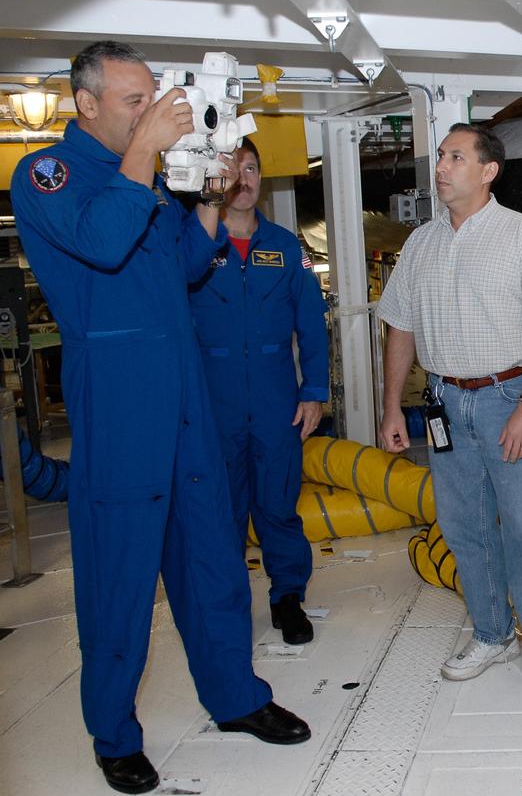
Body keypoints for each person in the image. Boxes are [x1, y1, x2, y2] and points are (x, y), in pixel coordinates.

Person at [10, 41, 309, 795]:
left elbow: (183, 262)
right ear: (87, 104)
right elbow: (107, 246)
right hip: (118, 399)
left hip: (186, 394)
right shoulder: (50, 175)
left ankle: (235, 697)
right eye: (133, 102)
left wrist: (206, 196)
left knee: (211, 555)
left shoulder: (149, 180)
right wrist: (146, 150)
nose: (150, 113)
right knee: (119, 574)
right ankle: (114, 732)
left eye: (152, 99)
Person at [377, 123, 522, 710]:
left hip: (505, 399)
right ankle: (490, 635)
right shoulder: (421, 244)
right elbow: (400, 326)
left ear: (487, 171)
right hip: (443, 402)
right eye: (440, 156)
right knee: (462, 526)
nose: (441, 166)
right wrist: (393, 405)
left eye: (455, 157)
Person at [188, 137, 329, 645]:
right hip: (212, 403)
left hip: (276, 402)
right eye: (233, 169)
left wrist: (313, 392)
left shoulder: (286, 247)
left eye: (251, 168)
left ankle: (287, 597)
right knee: (219, 509)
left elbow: (312, 325)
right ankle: (226, 607)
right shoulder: (194, 246)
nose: (243, 180)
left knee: (278, 504)